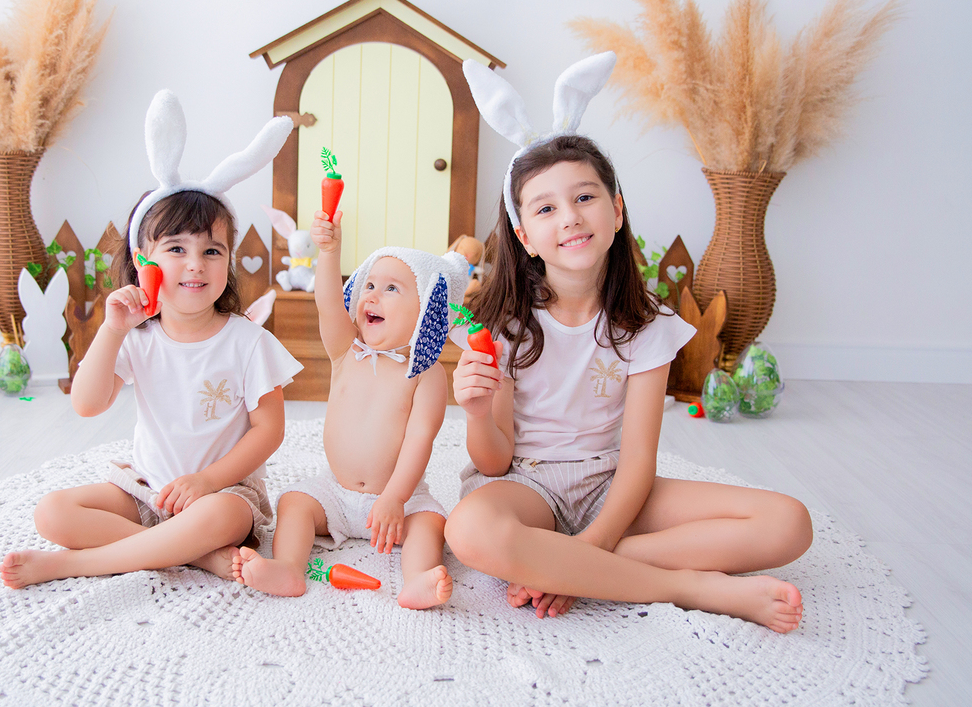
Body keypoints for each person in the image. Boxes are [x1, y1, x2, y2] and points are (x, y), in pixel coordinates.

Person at [444, 55, 813, 632]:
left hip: (610, 486)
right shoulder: (505, 326)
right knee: (467, 529)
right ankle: (687, 588)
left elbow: (638, 462)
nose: (570, 217)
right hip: (525, 484)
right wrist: (473, 414)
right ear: (524, 235)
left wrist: (586, 549)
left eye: (586, 197)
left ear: (616, 211)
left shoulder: (648, 326)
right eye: (545, 208)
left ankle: (579, 567)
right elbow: (493, 460)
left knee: (789, 523)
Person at [0, 92, 301, 589]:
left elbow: (268, 431)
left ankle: (75, 565)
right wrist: (112, 330)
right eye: (177, 248)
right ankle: (199, 558)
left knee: (220, 520)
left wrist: (207, 481)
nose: (195, 264)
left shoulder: (246, 340)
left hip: (220, 493)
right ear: (144, 260)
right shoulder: (138, 336)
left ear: (227, 263)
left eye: (212, 251)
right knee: (52, 511)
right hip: (145, 490)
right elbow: (87, 404)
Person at [235, 208, 468, 610]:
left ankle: (416, 581)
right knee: (294, 502)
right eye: (369, 285)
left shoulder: (425, 374)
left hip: (402, 499)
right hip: (336, 494)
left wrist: (396, 498)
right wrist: (329, 251)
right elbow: (328, 305)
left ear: (428, 311)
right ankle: (289, 568)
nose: (372, 296)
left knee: (431, 525)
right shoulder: (346, 351)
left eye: (392, 289)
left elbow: (420, 440)